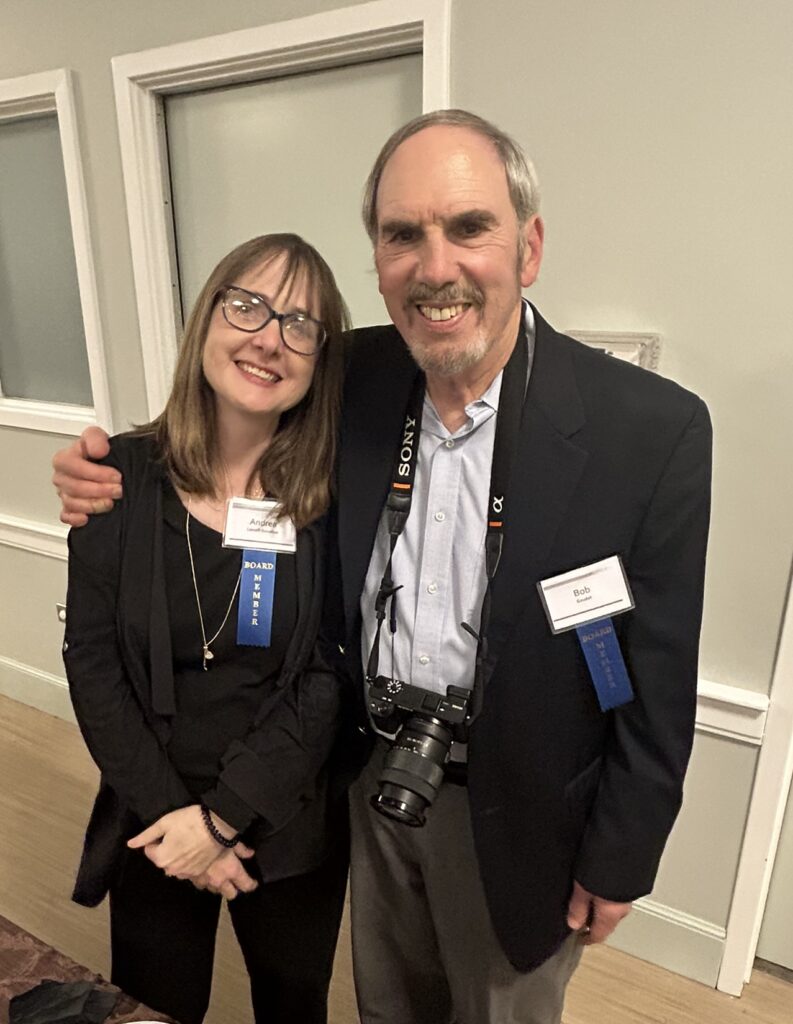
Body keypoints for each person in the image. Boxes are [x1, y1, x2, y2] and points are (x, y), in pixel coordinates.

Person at [54, 110, 712, 1024]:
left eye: (468, 227)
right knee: (383, 1006)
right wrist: (101, 470)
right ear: (377, 260)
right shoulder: (358, 377)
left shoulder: (650, 429)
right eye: (403, 235)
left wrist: (622, 853)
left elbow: (653, 673)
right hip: (365, 784)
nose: (434, 268)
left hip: (522, 807)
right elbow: (236, 393)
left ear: (528, 245)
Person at [59, 233, 351, 1024]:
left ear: (322, 359)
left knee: (294, 1004)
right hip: (152, 814)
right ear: (207, 318)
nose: (267, 339)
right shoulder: (114, 479)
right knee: (156, 1004)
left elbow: (329, 672)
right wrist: (176, 822)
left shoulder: (334, 498)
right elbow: (91, 661)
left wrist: (223, 818)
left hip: (284, 817)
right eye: (247, 305)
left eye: (299, 325)